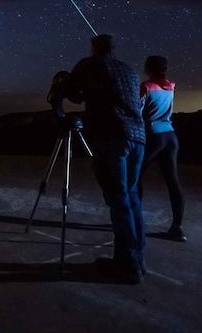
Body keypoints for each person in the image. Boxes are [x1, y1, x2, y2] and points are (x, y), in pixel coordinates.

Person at [63, 34, 147, 284]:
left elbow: (72, 94)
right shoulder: (129, 70)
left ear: (94, 48)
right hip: (138, 138)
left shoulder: (88, 64)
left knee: (119, 200)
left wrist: (64, 86)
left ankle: (128, 266)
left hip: (112, 137)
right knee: (131, 199)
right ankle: (136, 259)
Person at [139, 55, 187, 242]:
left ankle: (133, 219)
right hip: (170, 136)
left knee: (134, 178)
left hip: (153, 136)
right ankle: (177, 227)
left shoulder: (146, 87)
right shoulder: (170, 87)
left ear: (147, 68)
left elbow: (137, 110)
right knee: (173, 181)